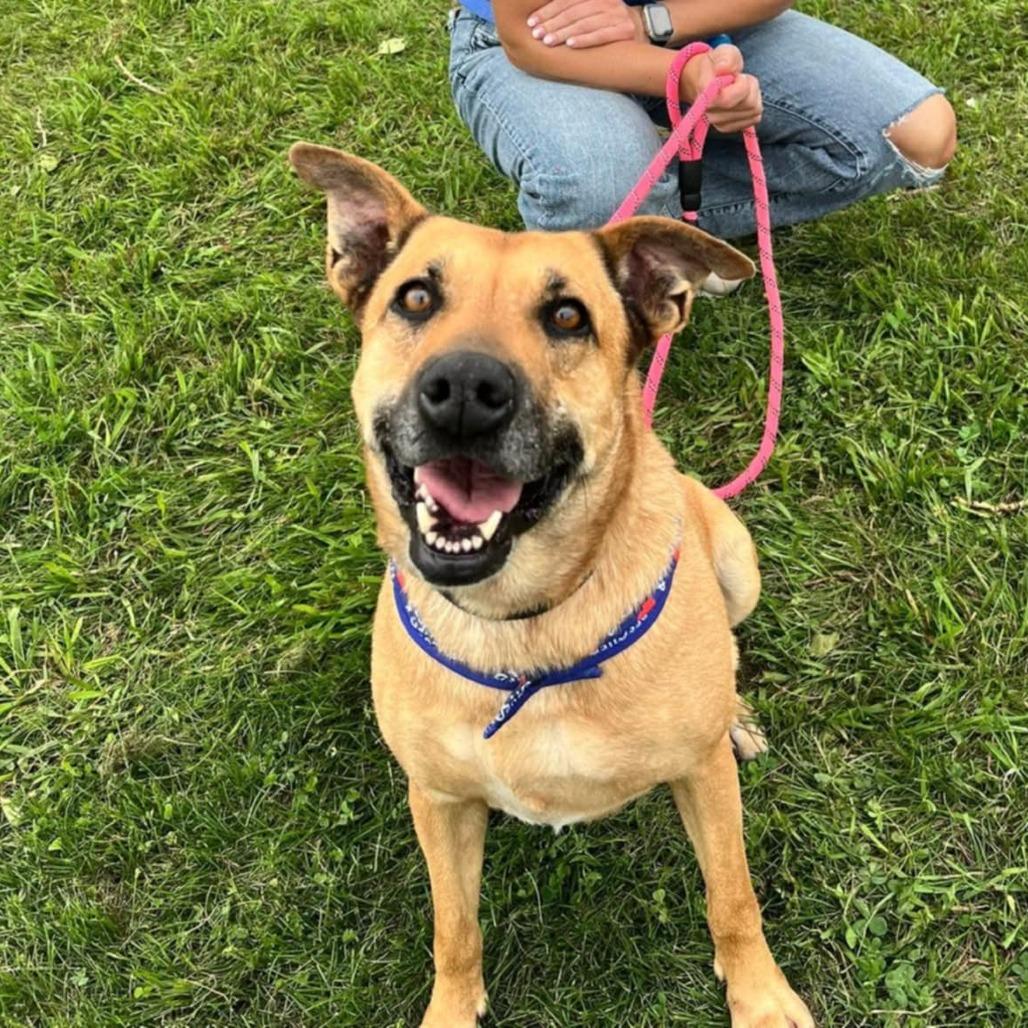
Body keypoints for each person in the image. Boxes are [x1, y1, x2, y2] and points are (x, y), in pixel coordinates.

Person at [448, 0, 956, 244]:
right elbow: (527, 38)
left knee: (913, 132)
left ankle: (651, 219)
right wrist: (685, 74)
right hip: (542, 39)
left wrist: (653, 23)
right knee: (600, 185)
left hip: (690, 15)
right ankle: (626, 207)